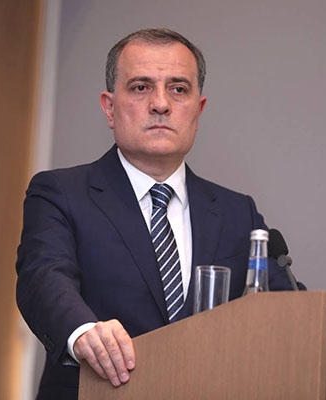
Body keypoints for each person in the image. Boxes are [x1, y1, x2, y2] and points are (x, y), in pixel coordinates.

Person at [15, 28, 303, 400]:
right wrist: (83, 331)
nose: (161, 104)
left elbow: (289, 311)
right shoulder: (61, 193)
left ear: (198, 110)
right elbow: (43, 278)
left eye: (178, 89)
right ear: (109, 107)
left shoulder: (237, 212)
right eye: (141, 87)